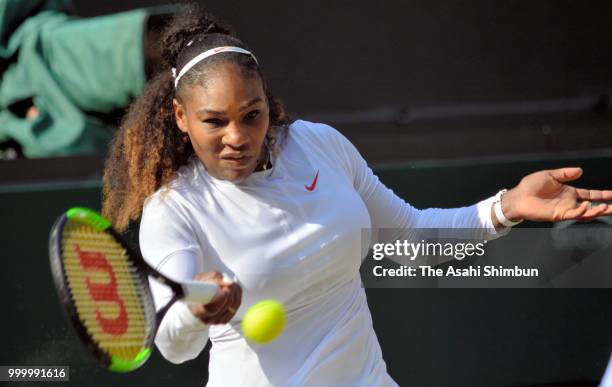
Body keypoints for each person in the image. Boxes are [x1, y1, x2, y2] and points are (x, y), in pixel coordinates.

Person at [101, 5, 612, 386]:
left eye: (251, 114)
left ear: (267, 105)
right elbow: (173, 345)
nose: (236, 136)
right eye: (214, 121)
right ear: (180, 118)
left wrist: (506, 208)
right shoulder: (175, 208)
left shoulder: (319, 145)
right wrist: (195, 312)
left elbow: (409, 237)